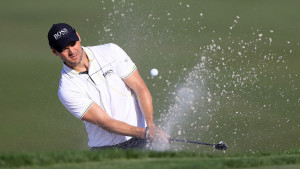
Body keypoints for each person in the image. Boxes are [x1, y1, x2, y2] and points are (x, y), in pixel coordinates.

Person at [47, 23, 169, 150]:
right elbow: (104, 122)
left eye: (73, 43)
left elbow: (140, 88)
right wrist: (146, 133)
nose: (72, 51)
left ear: (78, 36)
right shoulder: (67, 89)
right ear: (55, 51)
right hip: (106, 149)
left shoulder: (110, 51)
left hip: (141, 139)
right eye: (64, 48)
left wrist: (151, 126)